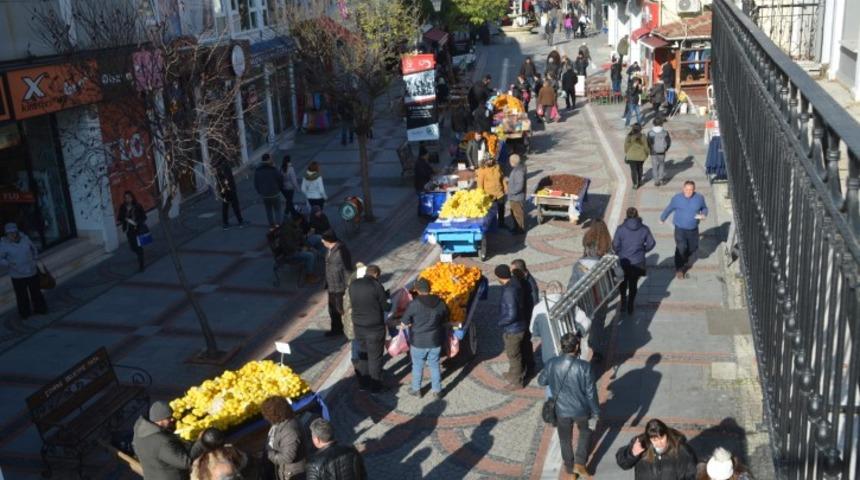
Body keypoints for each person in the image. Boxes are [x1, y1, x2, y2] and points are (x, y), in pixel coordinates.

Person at [538, 333, 600, 479]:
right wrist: (596, 411)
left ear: (561, 346)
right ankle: (580, 462)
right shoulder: (585, 367)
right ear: (577, 346)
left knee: (565, 439)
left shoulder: (552, 363)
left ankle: (570, 470)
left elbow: (541, 381)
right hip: (581, 410)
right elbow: (591, 393)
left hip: (561, 411)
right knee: (585, 433)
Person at [401, 277, 448, 398]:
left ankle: (416, 389)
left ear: (417, 290)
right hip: (435, 340)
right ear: (430, 288)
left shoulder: (414, 304)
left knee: (417, 365)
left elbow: (404, 322)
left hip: (418, 341)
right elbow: (445, 318)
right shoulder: (441, 302)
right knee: (434, 365)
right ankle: (437, 391)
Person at [348, 264, 390, 393]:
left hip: (359, 326)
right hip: (374, 328)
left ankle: (363, 384)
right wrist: (387, 298)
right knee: (375, 357)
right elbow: (386, 307)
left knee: (363, 355)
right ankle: (375, 386)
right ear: (376, 274)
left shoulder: (353, 285)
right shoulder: (377, 286)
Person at [133, 401, 199, 480]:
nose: (172, 419)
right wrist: (202, 443)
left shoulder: (140, 432)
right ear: (160, 420)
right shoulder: (162, 441)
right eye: (168, 418)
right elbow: (185, 462)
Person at [616, 418, 698, 479]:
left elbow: (692, 473)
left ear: (667, 434)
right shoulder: (641, 445)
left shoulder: (681, 450)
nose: (660, 443)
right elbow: (623, 463)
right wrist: (632, 454)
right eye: (655, 440)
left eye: (662, 438)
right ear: (649, 439)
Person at [660, 181, 708, 279]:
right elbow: (669, 208)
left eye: (691, 190)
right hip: (680, 229)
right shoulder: (677, 198)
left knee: (692, 248)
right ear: (683, 189)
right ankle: (679, 269)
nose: (688, 191)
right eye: (686, 189)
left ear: (694, 190)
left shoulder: (699, 198)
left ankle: (684, 260)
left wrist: (703, 215)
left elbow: (705, 208)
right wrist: (662, 218)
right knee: (681, 248)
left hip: (693, 230)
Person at [613, 207, 656, 315]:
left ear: (627, 216)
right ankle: (630, 304)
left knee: (622, 283)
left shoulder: (620, 229)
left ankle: (623, 301)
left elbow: (615, 245)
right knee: (633, 284)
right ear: (637, 215)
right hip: (638, 262)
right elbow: (651, 243)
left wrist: (619, 252)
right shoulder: (644, 229)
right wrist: (643, 251)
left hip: (624, 261)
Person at [0, 223, 46, 319]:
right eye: (10, 233)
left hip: (31, 271)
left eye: (14, 232)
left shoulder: (25, 238)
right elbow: (1, 259)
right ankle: (25, 313)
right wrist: (9, 264)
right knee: (21, 295)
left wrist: (34, 258)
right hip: (17, 275)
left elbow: (33, 248)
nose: (13, 234)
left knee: (36, 292)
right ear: (6, 234)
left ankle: (40, 309)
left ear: (17, 231)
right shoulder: (3, 244)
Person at [495, 264, 530, 390]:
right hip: (520, 324)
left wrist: (501, 322)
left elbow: (511, 314)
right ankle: (512, 374)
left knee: (514, 355)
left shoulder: (508, 291)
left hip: (513, 329)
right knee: (515, 353)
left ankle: (517, 381)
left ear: (499, 277)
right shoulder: (515, 282)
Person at [262, 396, 307, 480]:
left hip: (294, 474)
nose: (266, 418)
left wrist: (270, 454)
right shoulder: (278, 423)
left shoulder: (290, 431)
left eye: (267, 414)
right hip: (285, 471)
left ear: (275, 414)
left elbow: (287, 457)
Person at [322, 232, 353, 336]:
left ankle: (348, 330)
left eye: (323, 240)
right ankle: (336, 330)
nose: (322, 241)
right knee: (332, 310)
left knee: (341, 309)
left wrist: (348, 285)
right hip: (332, 285)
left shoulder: (341, 251)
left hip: (340, 286)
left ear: (328, 241)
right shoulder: (330, 250)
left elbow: (348, 269)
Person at [276, 216, 319, 284]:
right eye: (300, 221)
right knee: (310, 256)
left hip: (296, 249)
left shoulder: (295, 226)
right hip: (290, 253)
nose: (300, 223)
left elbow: (302, 238)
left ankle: (311, 270)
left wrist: (309, 246)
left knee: (314, 251)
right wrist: (300, 249)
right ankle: (309, 276)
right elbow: (289, 245)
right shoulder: (287, 230)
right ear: (297, 220)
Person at [117, 191, 148, 272]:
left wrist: (137, 222)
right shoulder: (123, 207)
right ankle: (139, 254)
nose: (128, 199)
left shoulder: (137, 206)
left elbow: (144, 217)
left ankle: (141, 264)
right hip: (128, 230)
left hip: (137, 229)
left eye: (129, 197)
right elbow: (119, 217)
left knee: (139, 246)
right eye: (126, 198)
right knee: (132, 247)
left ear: (132, 197)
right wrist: (124, 218)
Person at [255, 154, 285, 227]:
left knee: (268, 210)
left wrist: (260, 192)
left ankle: (271, 224)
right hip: (275, 193)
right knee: (277, 209)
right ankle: (278, 225)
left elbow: (256, 183)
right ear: (268, 159)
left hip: (264, 194)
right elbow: (280, 179)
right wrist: (279, 188)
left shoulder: (258, 170)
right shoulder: (274, 169)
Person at [476, 157, 507, 228]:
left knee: (501, 208)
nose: (490, 161)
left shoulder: (497, 167)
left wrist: (505, 187)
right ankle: (491, 225)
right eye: (488, 160)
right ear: (484, 161)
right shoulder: (482, 170)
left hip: (499, 192)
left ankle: (501, 223)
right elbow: (480, 184)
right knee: (490, 211)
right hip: (489, 195)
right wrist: (481, 194)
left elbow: (502, 178)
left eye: (491, 159)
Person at [215, 161, 246, 230]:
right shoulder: (223, 166)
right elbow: (226, 178)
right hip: (228, 189)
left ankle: (225, 223)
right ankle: (240, 221)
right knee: (234, 204)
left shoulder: (218, 167)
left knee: (226, 205)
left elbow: (221, 179)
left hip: (224, 190)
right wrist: (229, 188)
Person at [647, 116, 672, 186]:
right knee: (661, 164)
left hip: (653, 152)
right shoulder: (665, 132)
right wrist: (666, 148)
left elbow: (648, 142)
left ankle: (656, 180)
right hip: (662, 152)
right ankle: (661, 178)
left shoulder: (650, 133)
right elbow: (668, 142)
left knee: (654, 166)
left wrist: (650, 148)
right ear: (661, 124)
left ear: (653, 123)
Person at [624, 123, 650, 189]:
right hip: (641, 156)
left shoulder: (629, 136)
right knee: (640, 169)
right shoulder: (643, 136)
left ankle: (635, 184)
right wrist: (647, 154)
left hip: (631, 156)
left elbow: (626, 147)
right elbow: (646, 147)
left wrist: (628, 153)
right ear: (640, 129)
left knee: (633, 171)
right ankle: (640, 181)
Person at [507, 154, 527, 234]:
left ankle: (520, 230)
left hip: (516, 197)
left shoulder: (518, 171)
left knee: (518, 214)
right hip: (514, 197)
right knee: (514, 213)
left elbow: (519, 186)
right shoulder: (518, 169)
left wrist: (511, 191)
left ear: (513, 162)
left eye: (510, 161)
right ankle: (516, 227)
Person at [281, 155, 301, 220]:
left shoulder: (281, 168)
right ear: (289, 161)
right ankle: (290, 214)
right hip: (290, 188)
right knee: (289, 201)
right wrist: (297, 188)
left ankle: (291, 213)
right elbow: (293, 180)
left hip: (283, 188)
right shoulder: (290, 169)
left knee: (289, 201)